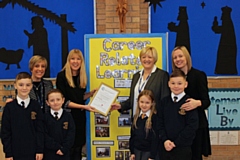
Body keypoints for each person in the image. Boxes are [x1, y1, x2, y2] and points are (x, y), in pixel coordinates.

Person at [171, 46, 211, 160]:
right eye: (175, 57)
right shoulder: (173, 78)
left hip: (196, 126)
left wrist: (197, 103)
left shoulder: (199, 75)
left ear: (186, 57)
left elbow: (206, 101)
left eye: (180, 56)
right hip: (179, 125)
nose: (178, 59)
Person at [56, 49, 96, 160]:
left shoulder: (82, 76)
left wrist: (91, 94)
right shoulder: (62, 76)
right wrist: (84, 107)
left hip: (79, 118)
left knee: (78, 149)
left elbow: (79, 98)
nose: (75, 61)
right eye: (72, 59)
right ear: (68, 61)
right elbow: (65, 102)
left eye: (78, 59)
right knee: (69, 149)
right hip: (67, 118)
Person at [111, 46, 170, 118]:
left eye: (149, 57)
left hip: (154, 121)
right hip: (136, 121)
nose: (146, 59)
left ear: (154, 59)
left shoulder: (162, 75)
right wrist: (120, 106)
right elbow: (132, 100)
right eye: (144, 57)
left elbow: (165, 101)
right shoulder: (136, 76)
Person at [1, 72, 44, 160]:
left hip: (33, 152)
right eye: (21, 85)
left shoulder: (36, 106)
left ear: (31, 86)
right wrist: (8, 153)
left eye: (28, 85)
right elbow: (5, 132)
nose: (24, 88)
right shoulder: (9, 107)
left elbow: (40, 130)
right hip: (15, 152)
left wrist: (40, 150)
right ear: (15, 86)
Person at [158, 69, 198, 160]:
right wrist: (165, 140)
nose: (176, 86)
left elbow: (192, 127)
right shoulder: (163, 102)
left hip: (183, 149)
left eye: (179, 83)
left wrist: (176, 143)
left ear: (186, 84)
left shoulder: (190, 102)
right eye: (173, 83)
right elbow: (159, 123)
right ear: (168, 84)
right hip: (165, 147)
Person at [44, 89, 75, 160]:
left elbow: (71, 134)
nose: (55, 102)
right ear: (47, 102)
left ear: (63, 100)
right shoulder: (44, 117)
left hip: (65, 152)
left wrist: (64, 148)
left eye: (58, 99)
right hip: (49, 153)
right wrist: (57, 147)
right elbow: (44, 136)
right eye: (52, 100)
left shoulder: (68, 116)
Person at [129, 90, 159, 160]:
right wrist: (132, 152)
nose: (144, 105)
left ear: (152, 103)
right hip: (136, 152)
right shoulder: (136, 117)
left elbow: (155, 139)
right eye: (142, 102)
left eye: (147, 103)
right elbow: (133, 136)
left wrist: (152, 156)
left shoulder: (154, 118)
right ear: (138, 102)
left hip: (148, 153)